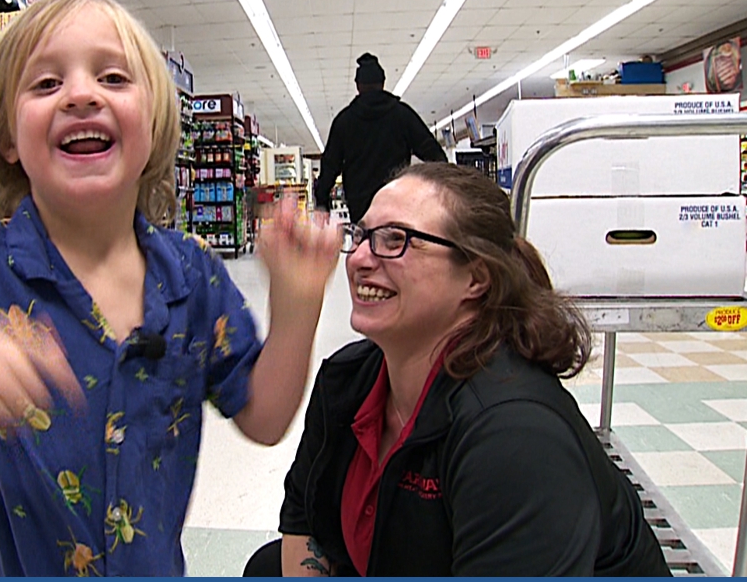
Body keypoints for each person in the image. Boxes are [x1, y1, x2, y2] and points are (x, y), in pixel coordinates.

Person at [0, 0, 341, 577]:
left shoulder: (194, 276)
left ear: (154, 122)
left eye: (112, 77)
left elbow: (263, 419)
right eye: (45, 84)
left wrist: (297, 307)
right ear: (8, 136)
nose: (81, 93)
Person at [245, 163, 670, 576]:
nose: (358, 259)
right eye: (361, 235)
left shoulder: (514, 434)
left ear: (476, 277)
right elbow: (305, 518)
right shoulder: (347, 381)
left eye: (395, 240)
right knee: (267, 568)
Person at [313, 52, 447, 226]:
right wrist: (437, 192)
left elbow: (330, 166)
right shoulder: (402, 115)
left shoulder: (344, 121)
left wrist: (322, 202)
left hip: (361, 210)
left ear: (357, 86)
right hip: (397, 204)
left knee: (364, 249)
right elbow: (434, 155)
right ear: (383, 83)